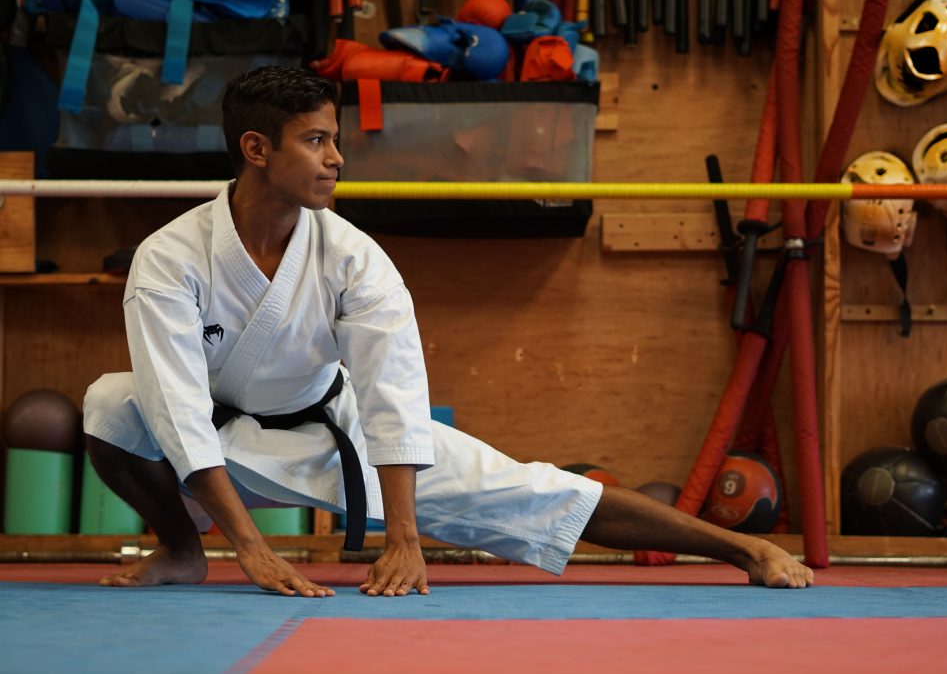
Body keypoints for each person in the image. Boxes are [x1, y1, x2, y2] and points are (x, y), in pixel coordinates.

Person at [82, 65, 814, 599]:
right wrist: (249, 548)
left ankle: (742, 546)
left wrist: (404, 535)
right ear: (256, 149)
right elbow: (176, 408)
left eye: (335, 139)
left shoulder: (354, 259)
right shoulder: (171, 259)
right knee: (110, 404)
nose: (336, 158)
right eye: (315, 141)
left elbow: (393, 396)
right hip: (216, 439)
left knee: (531, 490)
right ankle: (183, 548)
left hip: (337, 434)